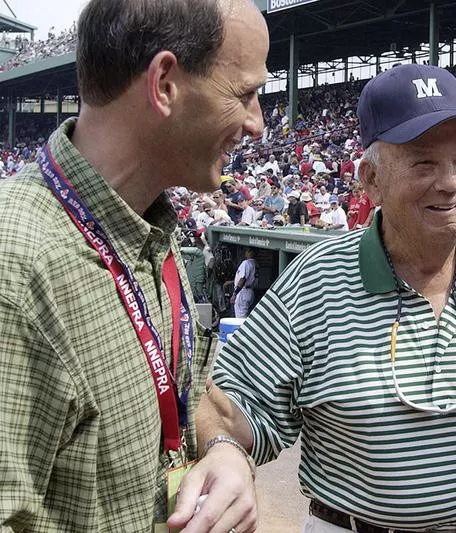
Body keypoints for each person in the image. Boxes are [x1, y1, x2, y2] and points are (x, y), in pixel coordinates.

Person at [178, 63, 456, 532]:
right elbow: (231, 401)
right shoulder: (315, 279)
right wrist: (223, 450)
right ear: (371, 179)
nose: (451, 182)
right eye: (424, 162)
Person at [0, 0, 267, 530]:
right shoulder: (18, 270)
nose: (258, 123)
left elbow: (190, 390)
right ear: (164, 83)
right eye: (245, 94)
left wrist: (222, 450)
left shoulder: (151, 231)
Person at [231, 248, 257, 318]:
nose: (245, 253)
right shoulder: (255, 263)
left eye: (247, 251)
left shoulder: (246, 263)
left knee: (240, 317)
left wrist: (235, 293)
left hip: (243, 292)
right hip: (250, 291)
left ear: (250, 252)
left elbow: (242, 279)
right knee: (245, 314)